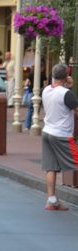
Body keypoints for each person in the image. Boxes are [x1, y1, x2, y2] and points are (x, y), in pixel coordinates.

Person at [41, 63, 77, 211]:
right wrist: (70, 87)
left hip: (47, 132)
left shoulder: (46, 90)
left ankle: (51, 200)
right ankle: (52, 201)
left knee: (51, 167)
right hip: (62, 134)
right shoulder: (66, 94)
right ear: (66, 76)